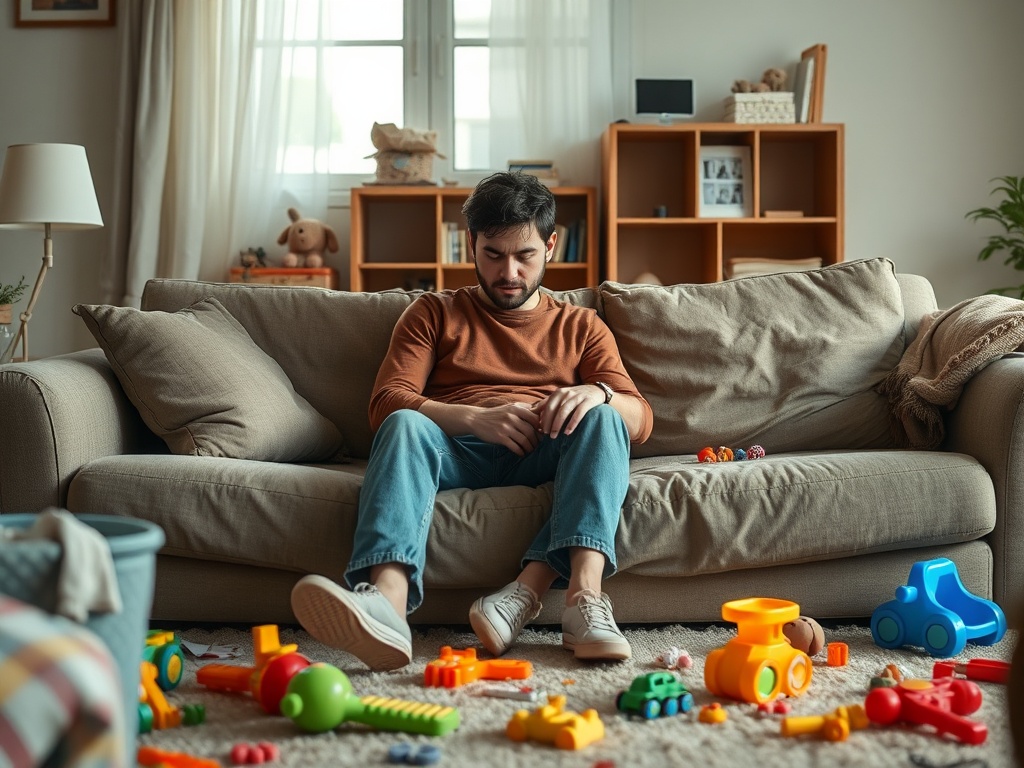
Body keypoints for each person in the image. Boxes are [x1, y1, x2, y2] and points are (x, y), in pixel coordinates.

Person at [290, 171, 653, 671]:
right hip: (456, 450)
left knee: (605, 420)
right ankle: (387, 607)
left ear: (550, 246)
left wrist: (600, 392)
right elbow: (385, 402)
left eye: (524, 256)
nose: (509, 272)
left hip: (546, 449)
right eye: (493, 254)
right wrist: (473, 419)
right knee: (402, 423)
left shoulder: (581, 324)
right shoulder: (432, 312)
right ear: (471, 247)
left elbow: (640, 419)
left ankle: (583, 601)